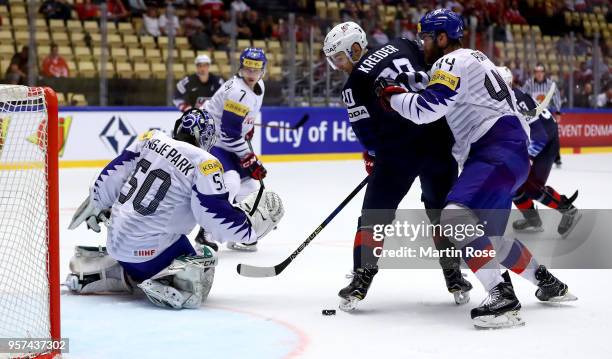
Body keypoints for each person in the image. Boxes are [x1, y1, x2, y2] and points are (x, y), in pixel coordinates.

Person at [377, 9, 576, 329]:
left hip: (492, 151)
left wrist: (393, 95)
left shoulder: (450, 61)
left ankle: (502, 296)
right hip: (511, 154)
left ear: (442, 38)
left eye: (427, 37)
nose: (423, 43)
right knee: (491, 237)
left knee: (454, 217)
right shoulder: (478, 58)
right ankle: (547, 281)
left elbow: (428, 108)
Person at [65, 109, 284, 309]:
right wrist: (248, 229)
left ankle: (106, 274)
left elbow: (113, 173)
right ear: (206, 139)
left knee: (144, 239)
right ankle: (174, 287)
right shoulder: (204, 162)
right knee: (205, 258)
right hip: (149, 255)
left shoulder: (150, 139)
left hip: (115, 243)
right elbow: (212, 217)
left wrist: (97, 200)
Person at [323, 21, 473, 311]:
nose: (338, 65)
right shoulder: (404, 44)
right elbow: (437, 69)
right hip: (438, 142)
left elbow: (366, 134)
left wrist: (372, 155)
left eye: (340, 58)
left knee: (374, 215)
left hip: (397, 153)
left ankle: (361, 278)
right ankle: (454, 275)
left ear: (356, 49)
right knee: (441, 212)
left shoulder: (354, 84)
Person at [497, 66, 581, 236]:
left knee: (531, 187)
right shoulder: (505, 97)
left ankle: (568, 210)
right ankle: (533, 220)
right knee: (513, 183)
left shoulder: (515, 98)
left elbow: (540, 136)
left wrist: (526, 158)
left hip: (546, 142)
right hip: (541, 136)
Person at [202, 48, 267, 252]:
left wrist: (246, 131)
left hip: (229, 142)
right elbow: (229, 134)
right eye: (248, 67)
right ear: (241, 67)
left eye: (256, 69)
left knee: (249, 191)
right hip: (214, 141)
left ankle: (242, 233)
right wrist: (249, 158)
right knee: (228, 183)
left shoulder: (259, 87)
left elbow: (239, 127)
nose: (251, 73)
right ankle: (205, 234)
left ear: (263, 71)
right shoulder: (238, 93)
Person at [521, 63, 563, 168]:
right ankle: (532, 156)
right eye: (537, 72)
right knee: (532, 135)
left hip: (546, 113)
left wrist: (557, 111)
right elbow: (522, 95)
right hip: (534, 114)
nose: (539, 74)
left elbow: (556, 96)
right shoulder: (529, 83)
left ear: (544, 73)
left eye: (541, 72)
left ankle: (557, 158)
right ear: (534, 73)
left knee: (554, 135)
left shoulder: (550, 84)